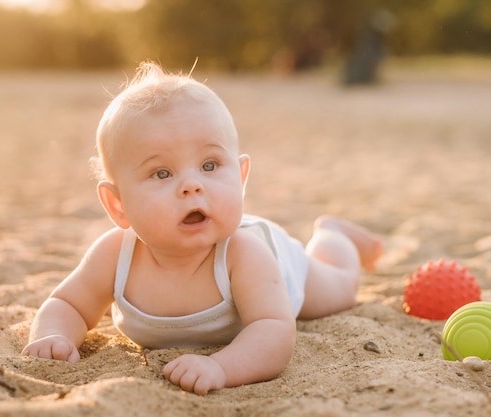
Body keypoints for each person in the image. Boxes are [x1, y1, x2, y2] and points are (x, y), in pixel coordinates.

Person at [22, 62, 382, 395]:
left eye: (210, 165)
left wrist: (220, 368)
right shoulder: (115, 255)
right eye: (161, 173)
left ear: (240, 179)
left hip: (282, 269)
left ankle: (334, 234)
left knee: (340, 289)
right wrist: (54, 335)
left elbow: (274, 332)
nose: (192, 185)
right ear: (118, 206)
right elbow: (67, 303)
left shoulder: (244, 253)